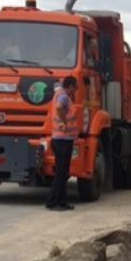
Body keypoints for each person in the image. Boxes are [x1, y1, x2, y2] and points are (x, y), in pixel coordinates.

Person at [46, 76, 79, 211]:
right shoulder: (63, 96)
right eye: (75, 87)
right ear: (70, 86)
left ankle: (61, 201)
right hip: (62, 140)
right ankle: (53, 201)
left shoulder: (60, 94)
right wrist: (64, 122)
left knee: (62, 173)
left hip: (60, 139)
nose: (75, 90)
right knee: (61, 173)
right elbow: (60, 108)